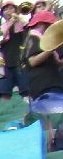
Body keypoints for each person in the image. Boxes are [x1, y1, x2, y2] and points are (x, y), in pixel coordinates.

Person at [23, 10, 63, 148]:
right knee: (51, 121)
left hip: (52, 83)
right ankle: (52, 147)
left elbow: (56, 62)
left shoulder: (45, 39)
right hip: (43, 85)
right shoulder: (34, 37)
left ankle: (55, 145)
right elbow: (32, 61)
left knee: (55, 120)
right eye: (49, 24)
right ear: (41, 24)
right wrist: (50, 49)